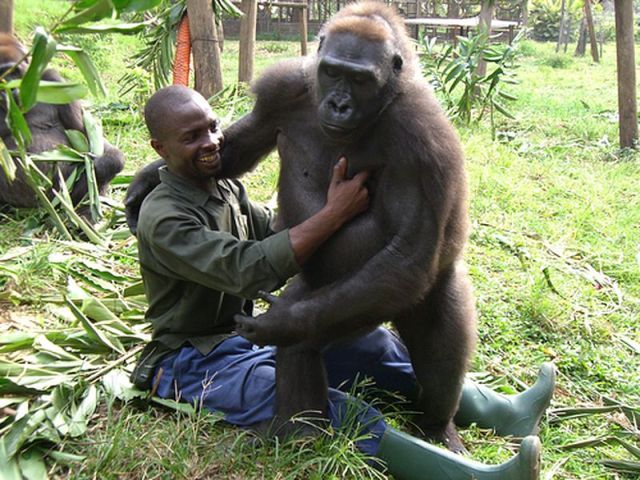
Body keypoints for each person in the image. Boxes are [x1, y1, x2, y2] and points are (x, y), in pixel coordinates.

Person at [131, 85, 555, 480]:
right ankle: (474, 476)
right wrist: (331, 214)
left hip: (242, 335)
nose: (211, 142)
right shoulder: (164, 217)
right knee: (319, 402)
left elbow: (278, 231)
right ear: (160, 149)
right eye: (192, 137)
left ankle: (503, 411)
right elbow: (248, 268)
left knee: (373, 345)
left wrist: (336, 207)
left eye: (213, 126)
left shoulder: (223, 189)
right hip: (190, 361)